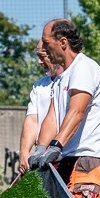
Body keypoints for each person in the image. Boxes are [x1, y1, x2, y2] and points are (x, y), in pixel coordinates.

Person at [28, 18, 100, 198]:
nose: (43, 49)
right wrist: (40, 149)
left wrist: (56, 145)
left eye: (46, 42)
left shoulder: (83, 68)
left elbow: (76, 112)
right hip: (70, 158)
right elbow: (52, 117)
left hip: (94, 158)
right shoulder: (61, 78)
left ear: (63, 43)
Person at [16, 41, 64, 176]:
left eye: (42, 56)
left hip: (67, 156)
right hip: (42, 158)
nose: (39, 62)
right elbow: (32, 120)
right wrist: (24, 153)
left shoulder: (73, 80)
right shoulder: (39, 86)